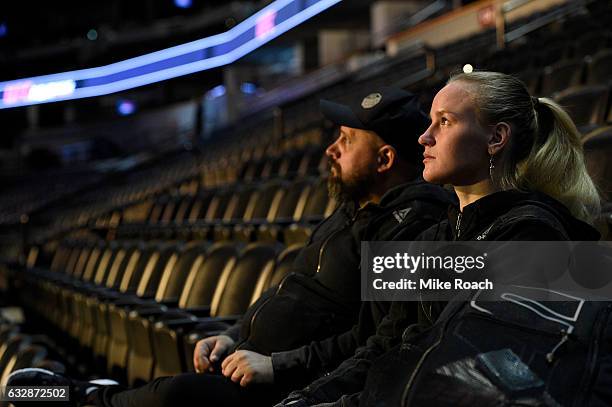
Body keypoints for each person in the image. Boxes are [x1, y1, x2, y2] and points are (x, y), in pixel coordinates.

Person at [8, 88, 453, 407]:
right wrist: (232, 334)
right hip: (249, 363)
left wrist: (278, 366)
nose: (330, 150)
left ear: (385, 160)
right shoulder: (351, 211)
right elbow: (288, 292)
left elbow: (379, 340)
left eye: (347, 140)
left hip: (294, 384)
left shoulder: (411, 226)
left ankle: (71, 395)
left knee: (171, 395)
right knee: (169, 388)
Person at [276, 70, 604, 406]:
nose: (424, 137)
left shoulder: (531, 236)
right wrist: (306, 399)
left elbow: (466, 378)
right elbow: (382, 346)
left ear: (496, 138)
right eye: (430, 121)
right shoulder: (438, 234)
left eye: (444, 122)